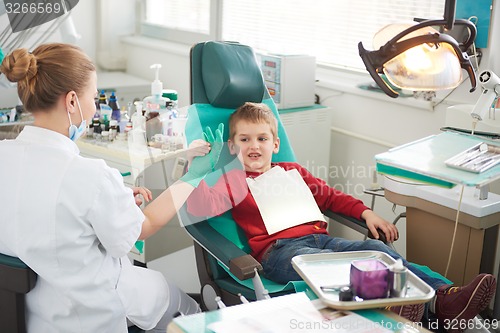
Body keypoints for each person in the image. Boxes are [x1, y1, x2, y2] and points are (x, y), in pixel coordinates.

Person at [186, 101, 496, 329]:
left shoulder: (293, 171)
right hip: (280, 253)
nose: (254, 146)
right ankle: (403, 304)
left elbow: (331, 197)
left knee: (378, 251)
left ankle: (443, 298)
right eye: (244, 140)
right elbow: (200, 207)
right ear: (232, 146)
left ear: (275, 144)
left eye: (262, 139)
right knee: (332, 269)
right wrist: (195, 170)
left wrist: (365, 213)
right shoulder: (234, 181)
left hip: (323, 240)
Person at [0, 43, 223, 333]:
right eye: (93, 98)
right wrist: (194, 175)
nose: (94, 108)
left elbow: (34, 209)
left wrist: (111, 203)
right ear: (71, 101)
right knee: (182, 308)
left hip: (25, 312)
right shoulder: (89, 176)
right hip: (86, 313)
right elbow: (143, 227)